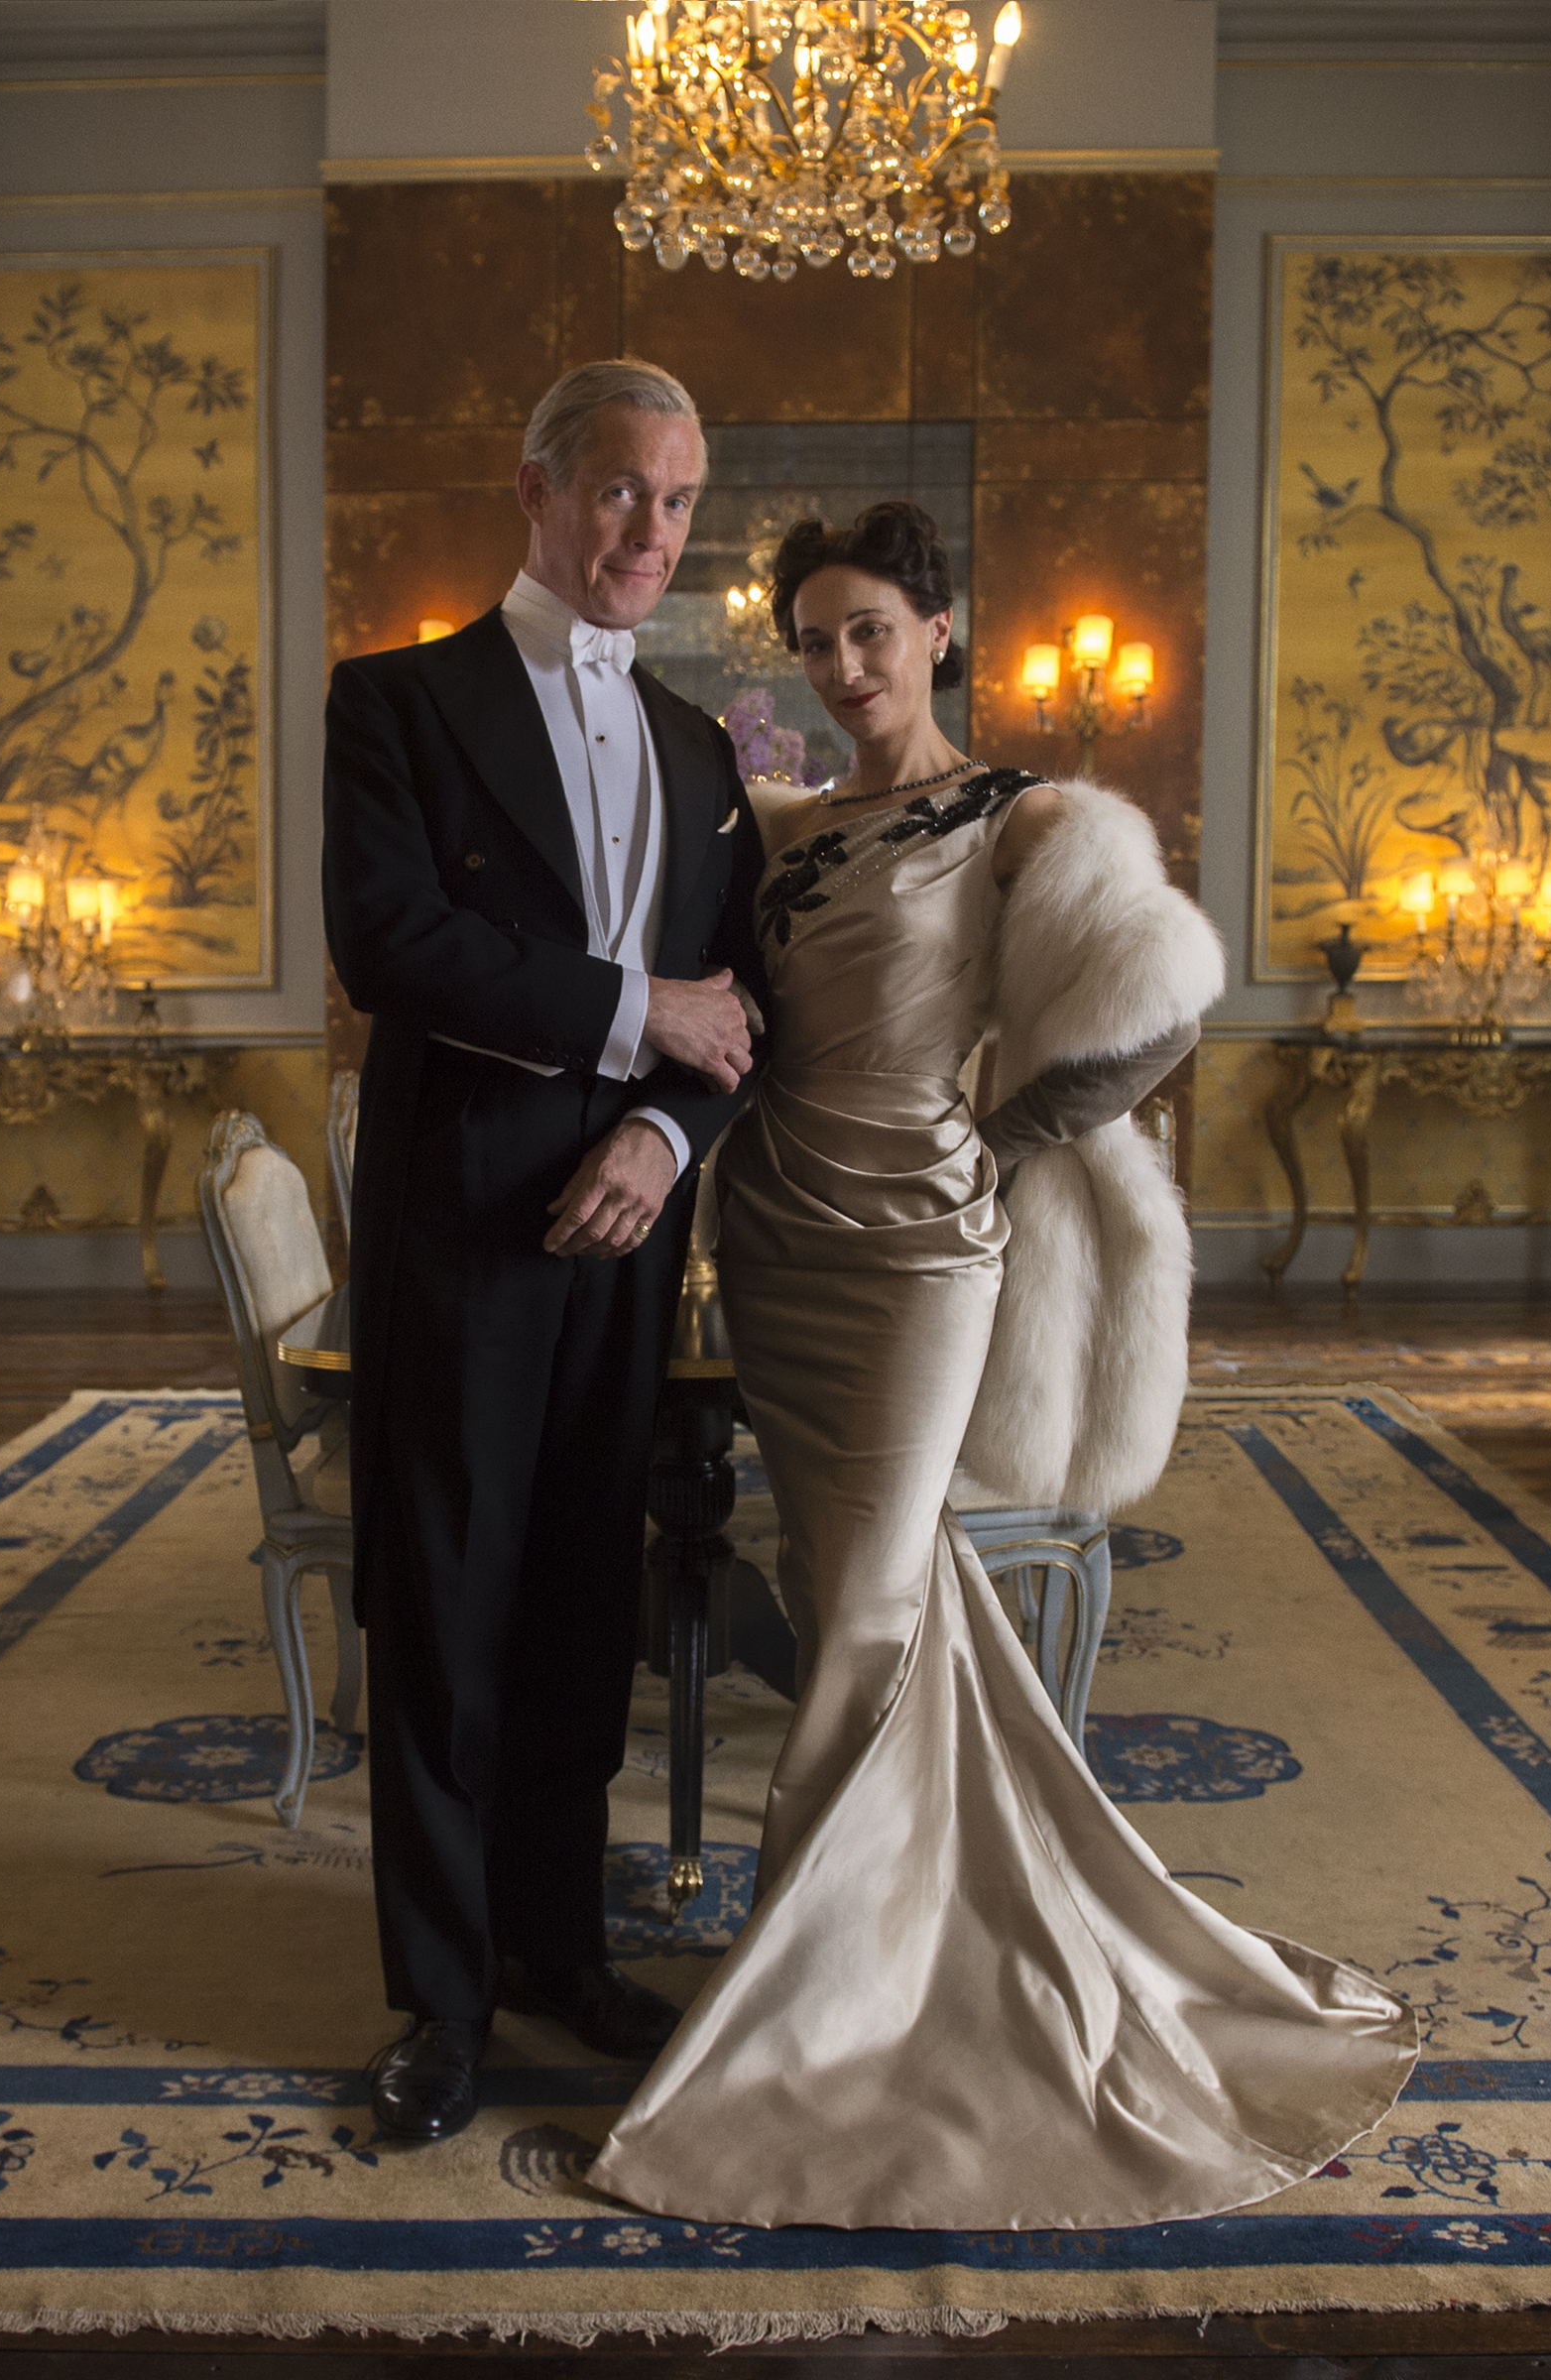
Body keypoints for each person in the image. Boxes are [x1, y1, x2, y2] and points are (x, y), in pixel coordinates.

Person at [587, 502, 1418, 2230]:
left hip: (914, 1248)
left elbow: (1162, 999)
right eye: (814, 639)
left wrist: (1010, 1137)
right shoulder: (794, 821)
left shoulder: (1019, 808)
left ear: (938, 629)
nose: (841, 665)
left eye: (871, 630)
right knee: (845, 1591)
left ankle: (807, 2003)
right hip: (780, 1241)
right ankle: (916, 1929)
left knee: (878, 1602)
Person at [321, 359, 775, 2145]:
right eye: (617, 492)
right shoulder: (401, 704)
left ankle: (554, 1946)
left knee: (589, 1600)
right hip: (463, 1221)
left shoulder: (696, 743)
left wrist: (666, 1133)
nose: (649, 532)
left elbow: (744, 1017)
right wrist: (629, 1017)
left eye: (675, 500)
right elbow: (394, 947)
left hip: (631, 1228)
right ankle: (437, 1999)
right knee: (448, 1606)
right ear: (535, 490)